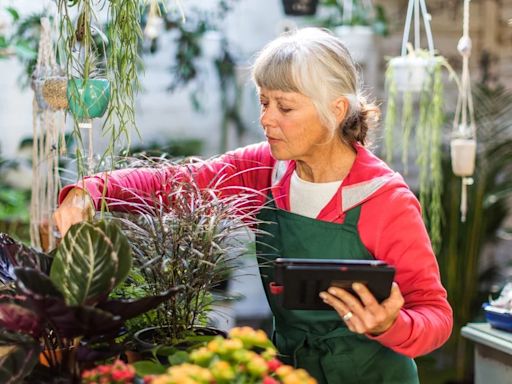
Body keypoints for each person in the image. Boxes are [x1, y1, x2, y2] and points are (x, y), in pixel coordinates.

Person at [54, 28, 452, 384]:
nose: (267, 119)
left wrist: (390, 324)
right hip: (291, 372)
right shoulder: (266, 170)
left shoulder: (385, 200)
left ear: (336, 109)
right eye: (264, 102)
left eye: (285, 106)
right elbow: (178, 183)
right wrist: (90, 190)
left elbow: (435, 315)